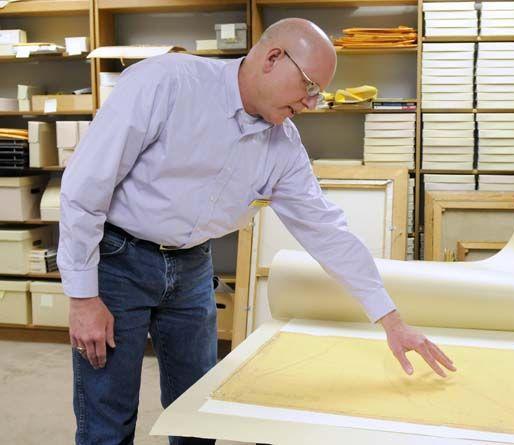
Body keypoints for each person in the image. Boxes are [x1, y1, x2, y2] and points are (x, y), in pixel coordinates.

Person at [59, 17, 456, 445]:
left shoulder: (282, 145)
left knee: (199, 410)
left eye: (317, 93)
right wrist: (83, 297)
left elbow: (327, 231)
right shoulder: (166, 84)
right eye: (308, 87)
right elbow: (85, 187)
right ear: (271, 58)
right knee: (108, 417)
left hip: (192, 266)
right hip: (119, 259)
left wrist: (392, 322)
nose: (311, 103)